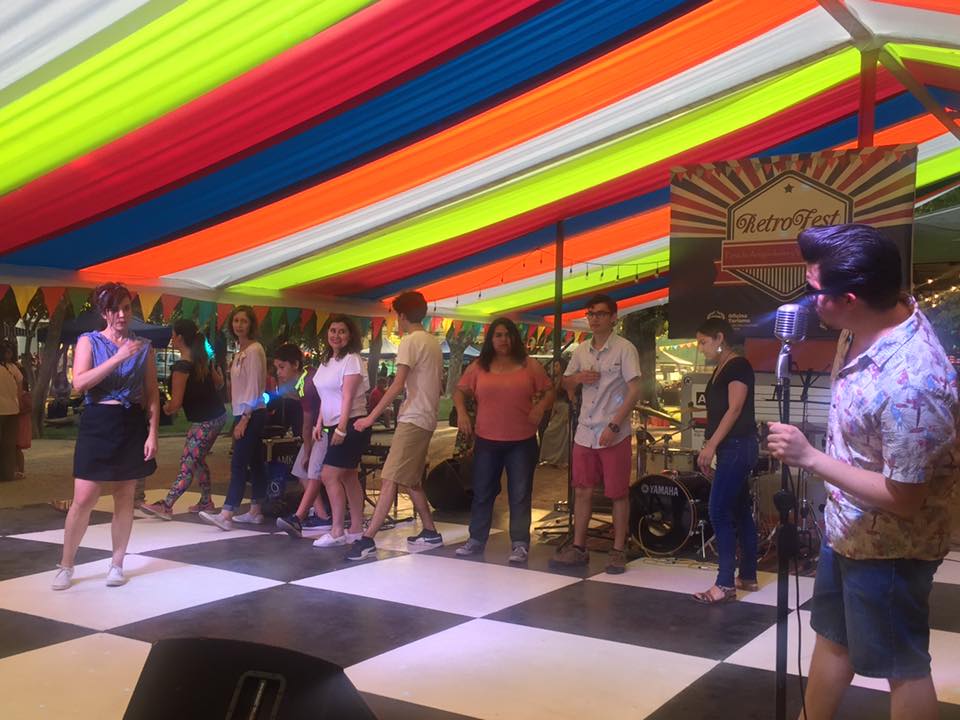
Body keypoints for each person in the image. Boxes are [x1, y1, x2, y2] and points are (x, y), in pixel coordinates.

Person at [767, 224, 958, 720]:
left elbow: (905, 498)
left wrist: (811, 458)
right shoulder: (859, 326)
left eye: (815, 290)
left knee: (902, 667)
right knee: (833, 639)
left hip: (893, 547)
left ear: (848, 300)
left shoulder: (914, 381)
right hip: (846, 528)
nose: (809, 300)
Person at [52, 283, 159, 590]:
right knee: (83, 498)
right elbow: (80, 383)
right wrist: (118, 357)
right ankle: (66, 565)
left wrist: (152, 433)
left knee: (124, 496)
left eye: (126, 308)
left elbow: (152, 393)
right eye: (115, 309)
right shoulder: (89, 341)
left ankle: (117, 564)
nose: (122, 314)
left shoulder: (144, 346)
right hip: (98, 421)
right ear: (103, 312)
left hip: (131, 423)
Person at [346, 291, 444, 561]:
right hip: (425, 417)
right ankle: (430, 531)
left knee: (389, 477)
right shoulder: (432, 342)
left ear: (401, 316)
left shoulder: (411, 341)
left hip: (414, 417)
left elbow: (397, 384)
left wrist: (370, 417)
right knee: (411, 479)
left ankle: (367, 539)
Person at [551, 294, 641, 574]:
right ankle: (579, 547)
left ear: (613, 318)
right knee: (582, 490)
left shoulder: (624, 348)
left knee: (617, 493)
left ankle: (618, 549)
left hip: (614, 431)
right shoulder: (581, 350)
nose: (594, 319)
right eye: (590, 314)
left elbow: (635, 390)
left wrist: (614, 425)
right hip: (585, 431)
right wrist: (576, 379)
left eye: (600, 314)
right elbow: (565, 383)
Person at [453, 317, 553, 563]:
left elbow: (550, 390)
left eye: (507, 335)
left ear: (514, 338)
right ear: (491, 339)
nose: (503, 340)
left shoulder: (529, 365)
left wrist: (540, 407)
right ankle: (476, 539)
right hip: (487, 440)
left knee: (520, 494)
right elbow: (459, 391)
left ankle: (519, 543)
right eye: (498, 335)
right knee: (482, 492)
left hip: (522, 441)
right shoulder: (479, 366)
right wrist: (463, 413)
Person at [690, 317, 759, 603]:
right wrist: (712, 445)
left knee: (718, 510)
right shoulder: (722, 367)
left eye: (704, 342)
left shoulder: (738, 365)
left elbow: (735, 408)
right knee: (740, 509)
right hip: (732, 446)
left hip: (737, 445)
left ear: (720, 338)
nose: (701, 348)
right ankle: (748, 575)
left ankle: (725, 583)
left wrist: (711, 445)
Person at [141, 320, 227, 519]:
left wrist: (165, 408)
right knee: (198, 460)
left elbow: (176, 403)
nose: (171, 338)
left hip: (204, 421)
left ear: (179, 337)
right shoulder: (201, 360)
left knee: (188, 462)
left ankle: (167, 505)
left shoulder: (182, 367)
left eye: (173, 334)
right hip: (218, 416)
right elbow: (219, 383)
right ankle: (206, 501)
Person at [200, 306, 268, 531]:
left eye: (244, 321)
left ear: (251, 324)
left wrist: (245, 419)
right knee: (255, 462)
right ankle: (256, 510)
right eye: (236, 321)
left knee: (238, 463)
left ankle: (227, 513)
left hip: (251, 413)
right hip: (243, 412)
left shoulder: (255, 350)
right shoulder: (240, 351)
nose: (239, 325)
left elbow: (255, 387)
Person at [310, 315, 371, 547]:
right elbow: (326, 396)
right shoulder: (328, 361)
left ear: (350, 335)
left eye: (342, 331)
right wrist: (319, 423)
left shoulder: (352, 360)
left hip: (351, 423)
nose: (336, 335)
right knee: (348, 476)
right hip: (332, 424)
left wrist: (342, 428)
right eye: (333, 330)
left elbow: (347, 396)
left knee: (329, 475)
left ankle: (337, 530)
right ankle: (355, 528)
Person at [275, 343, 334, 538]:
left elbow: (307, 424)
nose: (279, 372)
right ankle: (321, 515)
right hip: (320, 430)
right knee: (302, 471)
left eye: (282, 367)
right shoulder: (307, 376)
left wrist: (308, 451)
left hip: (324, 430)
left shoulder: (307, 385)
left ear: (295, 365)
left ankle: (301, 517)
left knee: (312, 472)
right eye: (277, 368)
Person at [539, 357, 571, 467]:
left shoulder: (564, 380)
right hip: (558, 408)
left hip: (563, 408)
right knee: (553, 433)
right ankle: (553, 457)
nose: (554, 368)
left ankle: (558, 458)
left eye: (557, 366)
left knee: (557, 434)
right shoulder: (557, 379)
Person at [0, 339, 24, 483]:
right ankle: (7, 474)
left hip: (5, 409)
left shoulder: (12, 367)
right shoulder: (13, 368)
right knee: (9, 444)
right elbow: (20, 390)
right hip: (13, 409)